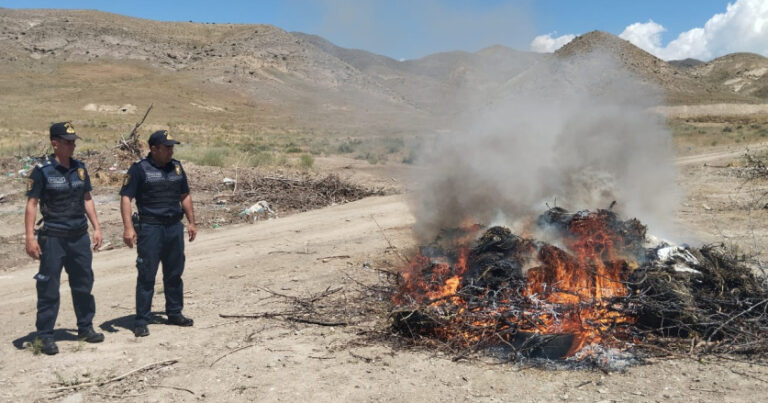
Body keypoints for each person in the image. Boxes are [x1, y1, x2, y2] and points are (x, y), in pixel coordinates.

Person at [24, 122, 105, 355]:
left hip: (78, 236)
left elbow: (87, 198)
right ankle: (45, 335)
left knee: (83, 283)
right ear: (54, 143)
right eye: (68, 142)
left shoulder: (80, 168)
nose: (72, 146)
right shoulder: (42, 171)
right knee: (48, 287)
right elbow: (32, 204)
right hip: (53, 237)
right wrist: (30, 237)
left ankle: (85, 327)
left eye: (74, 142)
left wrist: (96, 228)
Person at [120, 129, 197, 337]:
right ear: (154, 149)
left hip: (174, 226)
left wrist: (191, 222)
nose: (171, 151)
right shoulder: (139, 169)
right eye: (167, 147)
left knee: (174, 273)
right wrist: (128, 228)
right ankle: (141, 320)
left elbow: (185, 195)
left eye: (173, 147)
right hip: (150, 228)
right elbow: (126, 198)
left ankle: (174, 313)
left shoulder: (177, 168)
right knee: (147, 274)